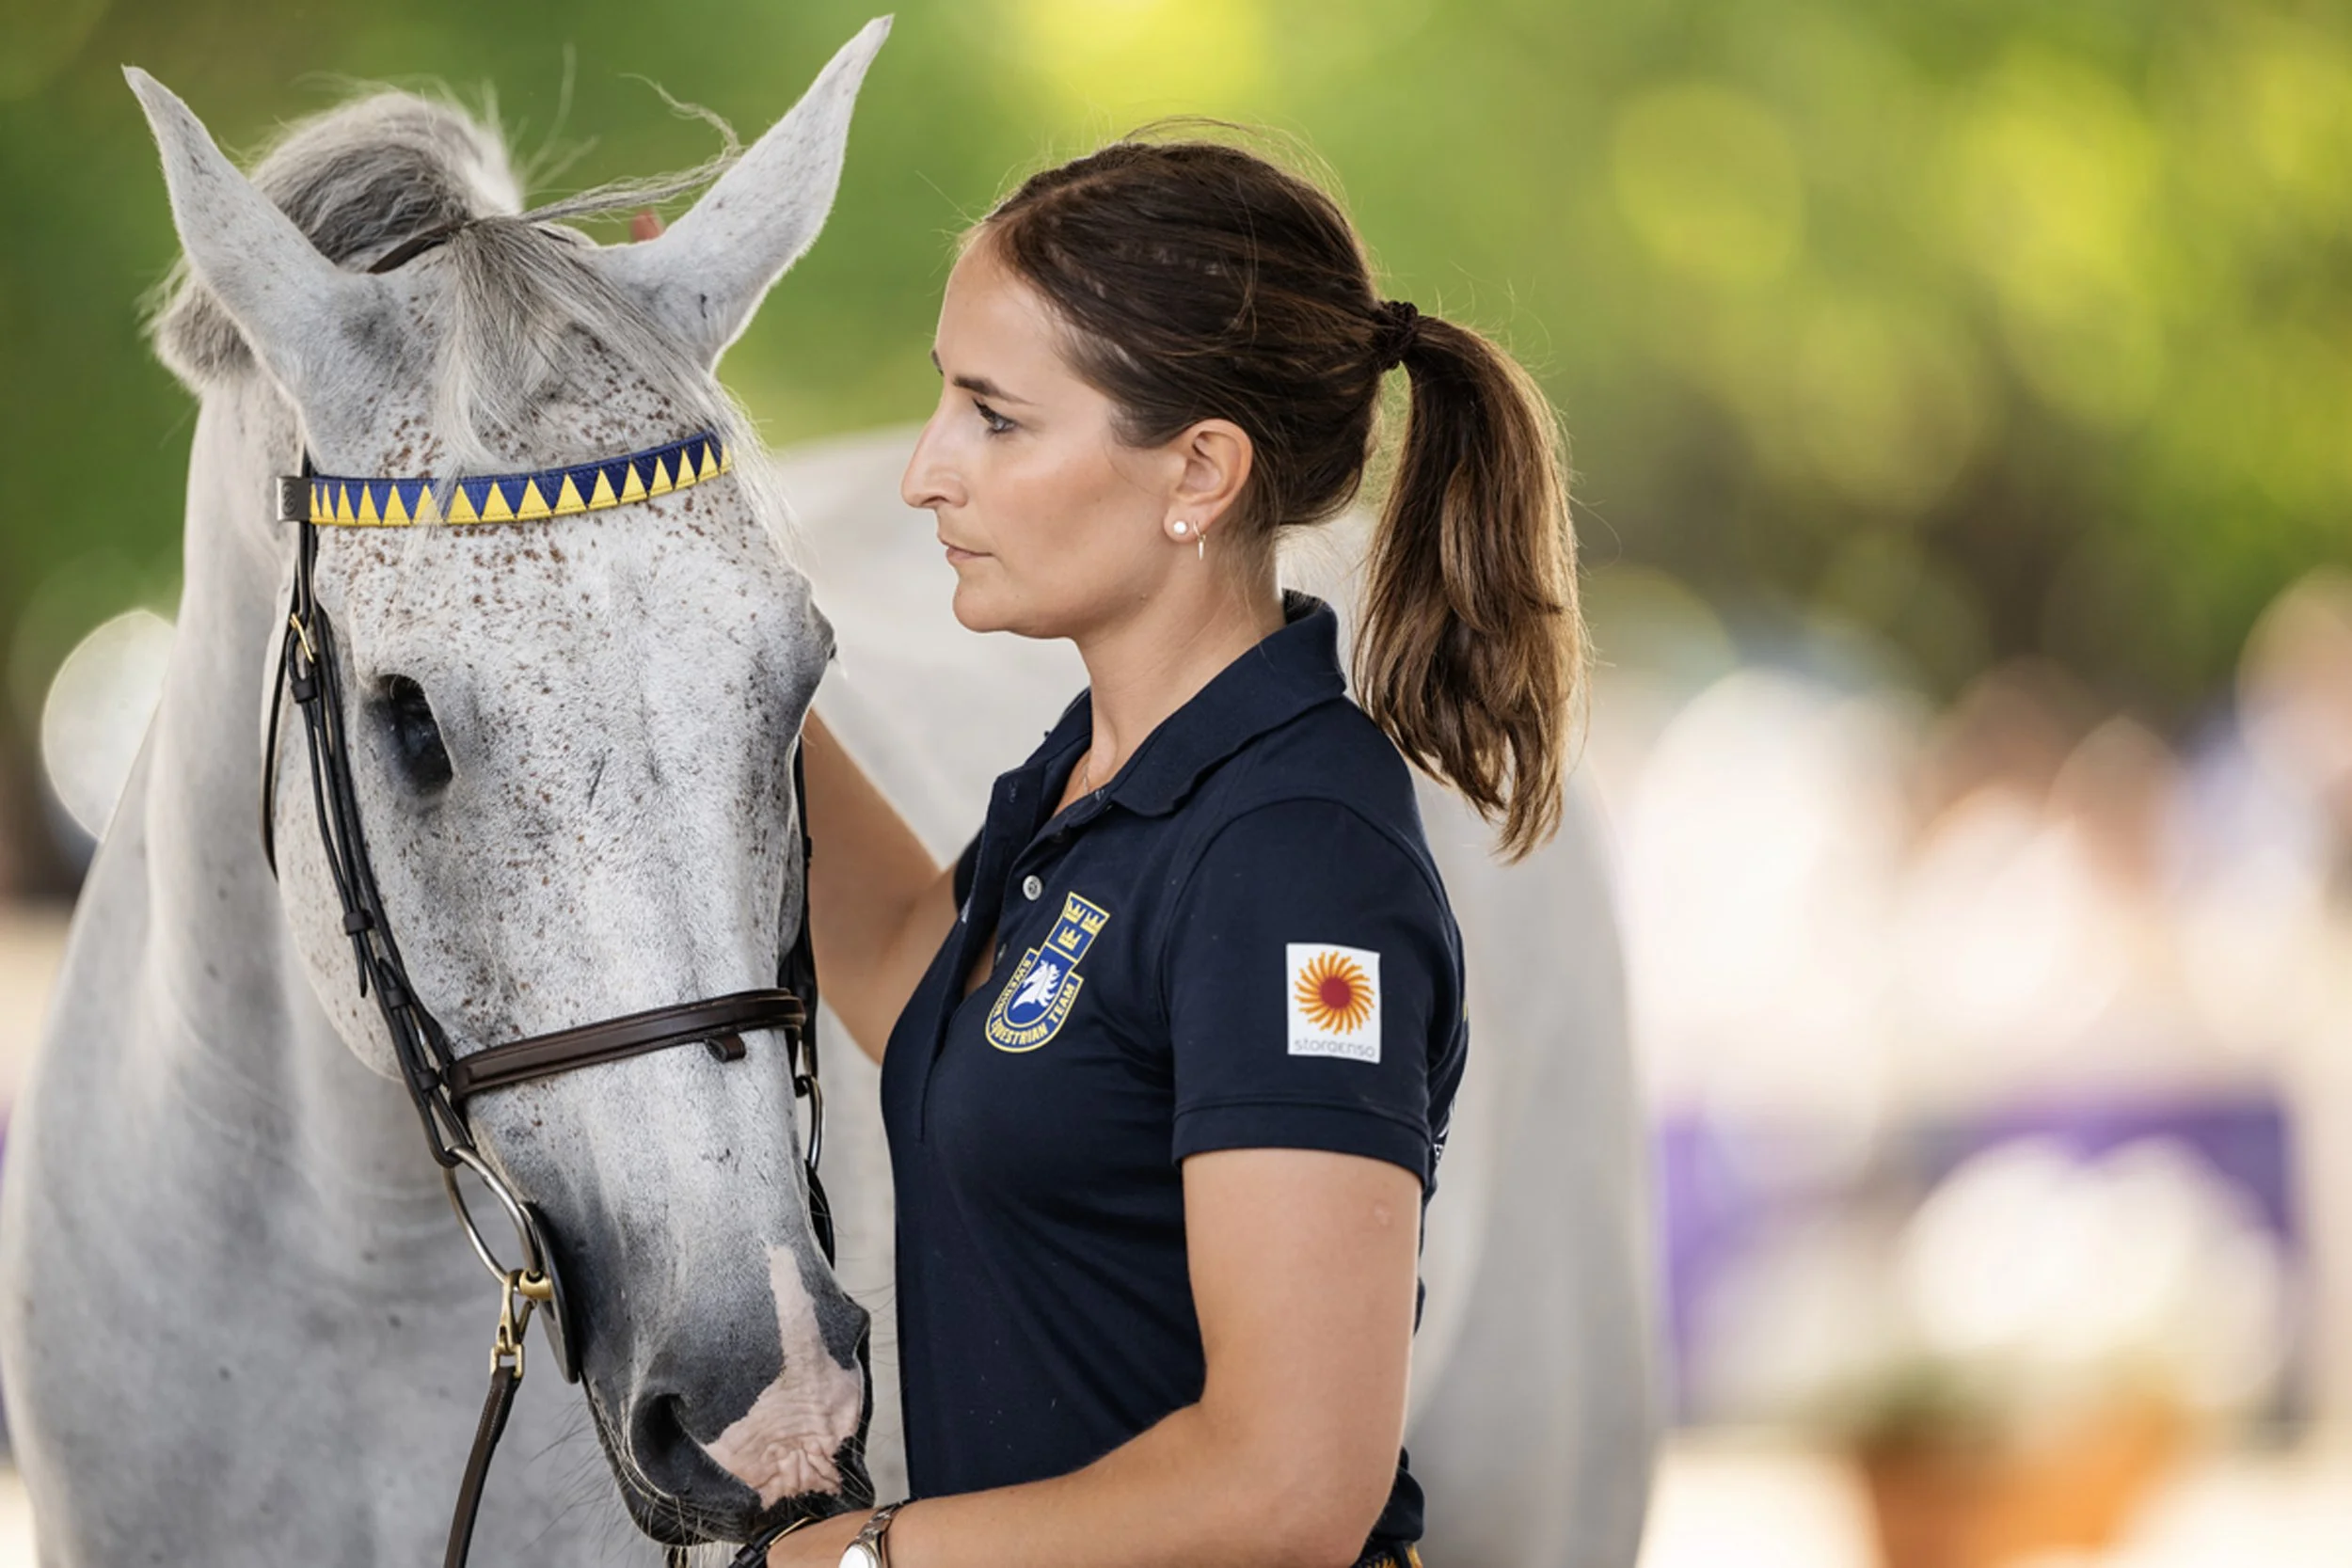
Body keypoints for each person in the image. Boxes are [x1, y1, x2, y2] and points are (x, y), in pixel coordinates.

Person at [767, 134, 1585, 1568]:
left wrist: (866, 1559)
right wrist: (721, 644)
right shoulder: (1098, 778)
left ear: (1199, 469)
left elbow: (1288, 1484)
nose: (922, 472)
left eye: (994, 417)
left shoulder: (1290, 861)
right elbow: (915, 976)